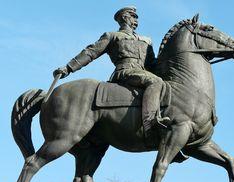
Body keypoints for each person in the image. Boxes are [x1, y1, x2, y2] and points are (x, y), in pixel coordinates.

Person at [54, 6, 170, 138]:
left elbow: (151, 64)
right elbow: (91, 52)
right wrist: (69, 67)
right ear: (124, 18)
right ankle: (150, 122)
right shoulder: (112, 36)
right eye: (133, 16)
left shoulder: (146, 40)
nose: (136, 19)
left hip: (142, 73)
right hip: (124, 71)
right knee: (155, 81)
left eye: (136, 17)